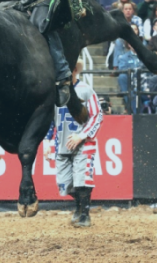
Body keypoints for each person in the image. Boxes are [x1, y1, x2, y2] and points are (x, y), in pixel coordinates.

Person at [44, 60, 103, 228]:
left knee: (82, 180)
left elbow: (97, 115)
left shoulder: (85, 90)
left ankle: (84, 214)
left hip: (84, 143)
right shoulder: (55, 93)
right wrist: (47, 141)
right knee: (64, 184)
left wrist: (82, 135)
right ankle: (80, 206)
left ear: (75, 70)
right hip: (61, 143)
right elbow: (50, 118)